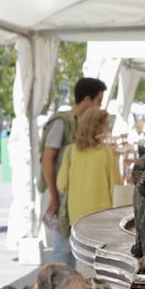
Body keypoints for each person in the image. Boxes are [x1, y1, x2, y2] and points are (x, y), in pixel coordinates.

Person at [40, 76, 107, 264]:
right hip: (60, 192)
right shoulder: (62, 122)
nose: (100, 107)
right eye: (98, 101)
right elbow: (47, 159)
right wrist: (54, 196)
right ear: (87, 100)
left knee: (68, 244)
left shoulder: (80, 123)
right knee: (63, 246)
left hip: (69, 192)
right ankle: (54, 287)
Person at [58, 106, 121, 230]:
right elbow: (115, 186)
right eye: (106, 124)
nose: (109, 127)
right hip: (101, 216)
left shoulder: (70, 151)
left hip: (76, 216)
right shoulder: (107, 152)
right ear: (98, 127)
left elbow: (61, 185)